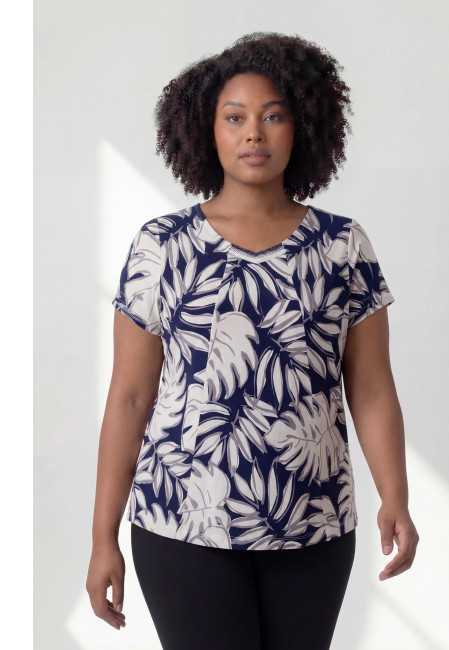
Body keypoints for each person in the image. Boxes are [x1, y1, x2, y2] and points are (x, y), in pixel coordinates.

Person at [86, 31, 419, 650]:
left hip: (314, 524)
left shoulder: (343, 246)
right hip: (181, 524)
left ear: (303, 126)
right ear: (206, 130)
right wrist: (102, 536)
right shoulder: (162, 246)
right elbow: (130, 396)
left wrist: (395, 497)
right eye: (235, 118)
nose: (254, 135)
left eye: (273, 116)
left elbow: (371, 388)